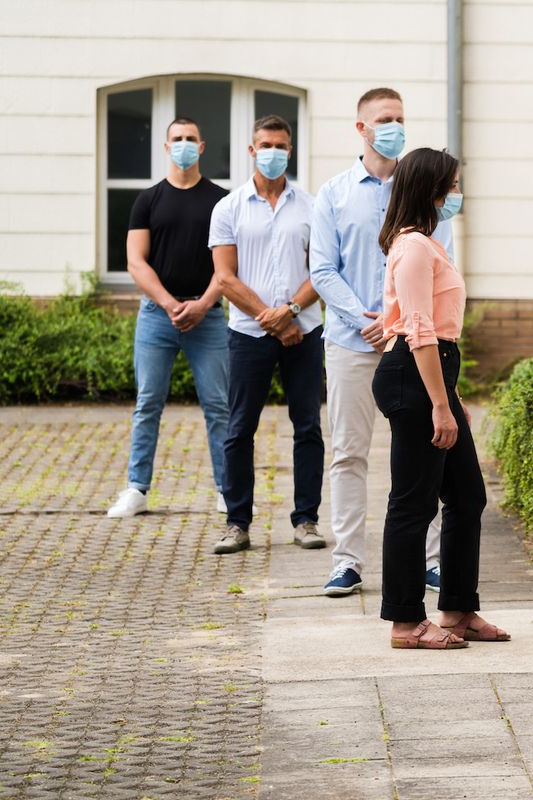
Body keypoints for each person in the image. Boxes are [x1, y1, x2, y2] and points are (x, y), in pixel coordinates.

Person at [310, 88, 451, 596]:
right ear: (361, 128)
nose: (394, 126)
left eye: (400, 118)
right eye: (384, 119)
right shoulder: (334, 193)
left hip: (409, 345)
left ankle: (429, 560)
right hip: (350, 342)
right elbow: (322, 269)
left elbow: (439, 267)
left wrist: (394, 324)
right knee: (348, 454)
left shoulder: (424, 192)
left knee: (420, 453)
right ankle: (347, 561)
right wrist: (360, 316)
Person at [374, 147, 508, 649]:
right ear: (430, 189)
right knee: (412, 502)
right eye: (451, 185)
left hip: (432, 372)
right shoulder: (411, 248)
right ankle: (406, 621)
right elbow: (418, 331)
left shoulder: (429, 245)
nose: (457, 194)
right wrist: (437, 402)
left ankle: (456, 608)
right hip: (413, 374)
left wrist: (449, 395)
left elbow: (433, 333)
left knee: (467, 494)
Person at [209, 115, 325, 555]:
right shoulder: (229, 207)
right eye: (265, 145)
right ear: (251, 150)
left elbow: (323, 270)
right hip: (248, 334)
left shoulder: (311, 206)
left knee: (308, 427)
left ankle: (306, 520)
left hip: (305, 331)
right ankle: (237, 523)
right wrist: (271, 318)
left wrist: (293, 310)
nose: (273, 152)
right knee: (240, 429)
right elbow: (224, 276)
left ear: (289, 150)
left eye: (280, 145)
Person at [107, 117, 230, 518]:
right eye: (176, 139)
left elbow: (228, 266)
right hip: (157, 318)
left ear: (202, 145)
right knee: (147, 403)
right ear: (165, 147)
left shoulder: (219, 200)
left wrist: (201, 304)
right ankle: (137, 489)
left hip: (207, 317)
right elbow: (135, 261)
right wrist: (168, 304)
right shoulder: (148, 200)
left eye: (190, 139)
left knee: (218, 406)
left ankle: (227, 491)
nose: (184, 145)